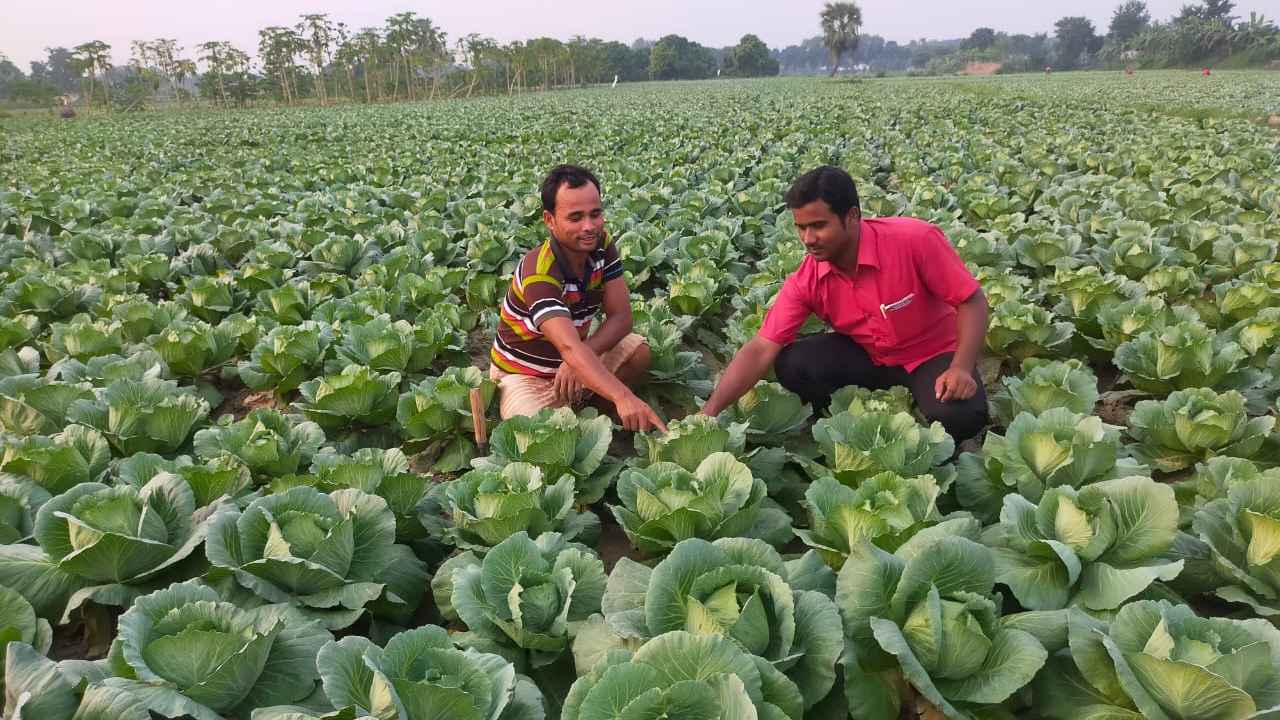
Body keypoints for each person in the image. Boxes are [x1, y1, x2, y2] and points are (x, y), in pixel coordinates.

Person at [700, 166, 990, 442]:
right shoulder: (808, 277)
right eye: (800, 228)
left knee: (960, 416)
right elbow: (761, 347)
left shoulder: (914, 240)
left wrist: (961, 367)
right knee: (792, 363)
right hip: (870, 356)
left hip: (932, 355)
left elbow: (972, 300)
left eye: (818, 226)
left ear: (852, 216)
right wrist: (709, 412)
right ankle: (847, 419)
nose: (808, 239)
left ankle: (925, 402)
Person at [488, 164, 667, 432]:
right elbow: (569, 348)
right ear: (549, 220)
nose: (589, 226)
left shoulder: (602, 247)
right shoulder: (539, 272)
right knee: (536, 432)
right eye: (575, 218)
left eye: (595, 214)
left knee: (638, 352)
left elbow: (622, 317)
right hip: (525, 376)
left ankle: (593, 415)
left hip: (572, 359)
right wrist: (623, 396)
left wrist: (583, 357)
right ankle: (585, 409)